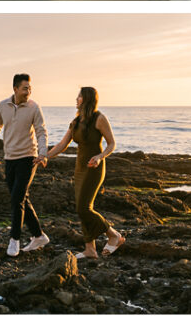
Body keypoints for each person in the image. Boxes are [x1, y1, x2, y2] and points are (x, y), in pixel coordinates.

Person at [37, 87, 124, 259]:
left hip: (94, 167)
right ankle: (90, 249)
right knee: (82, 209)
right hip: (79, 168)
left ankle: (114, 235)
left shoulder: (99, 119)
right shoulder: (76, 121)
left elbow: (112, 143)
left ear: (87, 99)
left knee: (84, 208)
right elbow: (63, 144)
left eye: (79, 96)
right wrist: (44, 156)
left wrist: (100, 157)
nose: (76, 99)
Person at [0, 73, 49, 257]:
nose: (28, 91)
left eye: (30, 88)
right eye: (25, 88)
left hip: (29, 158)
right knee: (21, 198)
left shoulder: (34, 107)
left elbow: (41, 131)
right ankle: (39, 236)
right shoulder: (3, 106)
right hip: (10, 159)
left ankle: (14, 239)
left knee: (16, 198)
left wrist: (43, 153)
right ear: (15, 89)